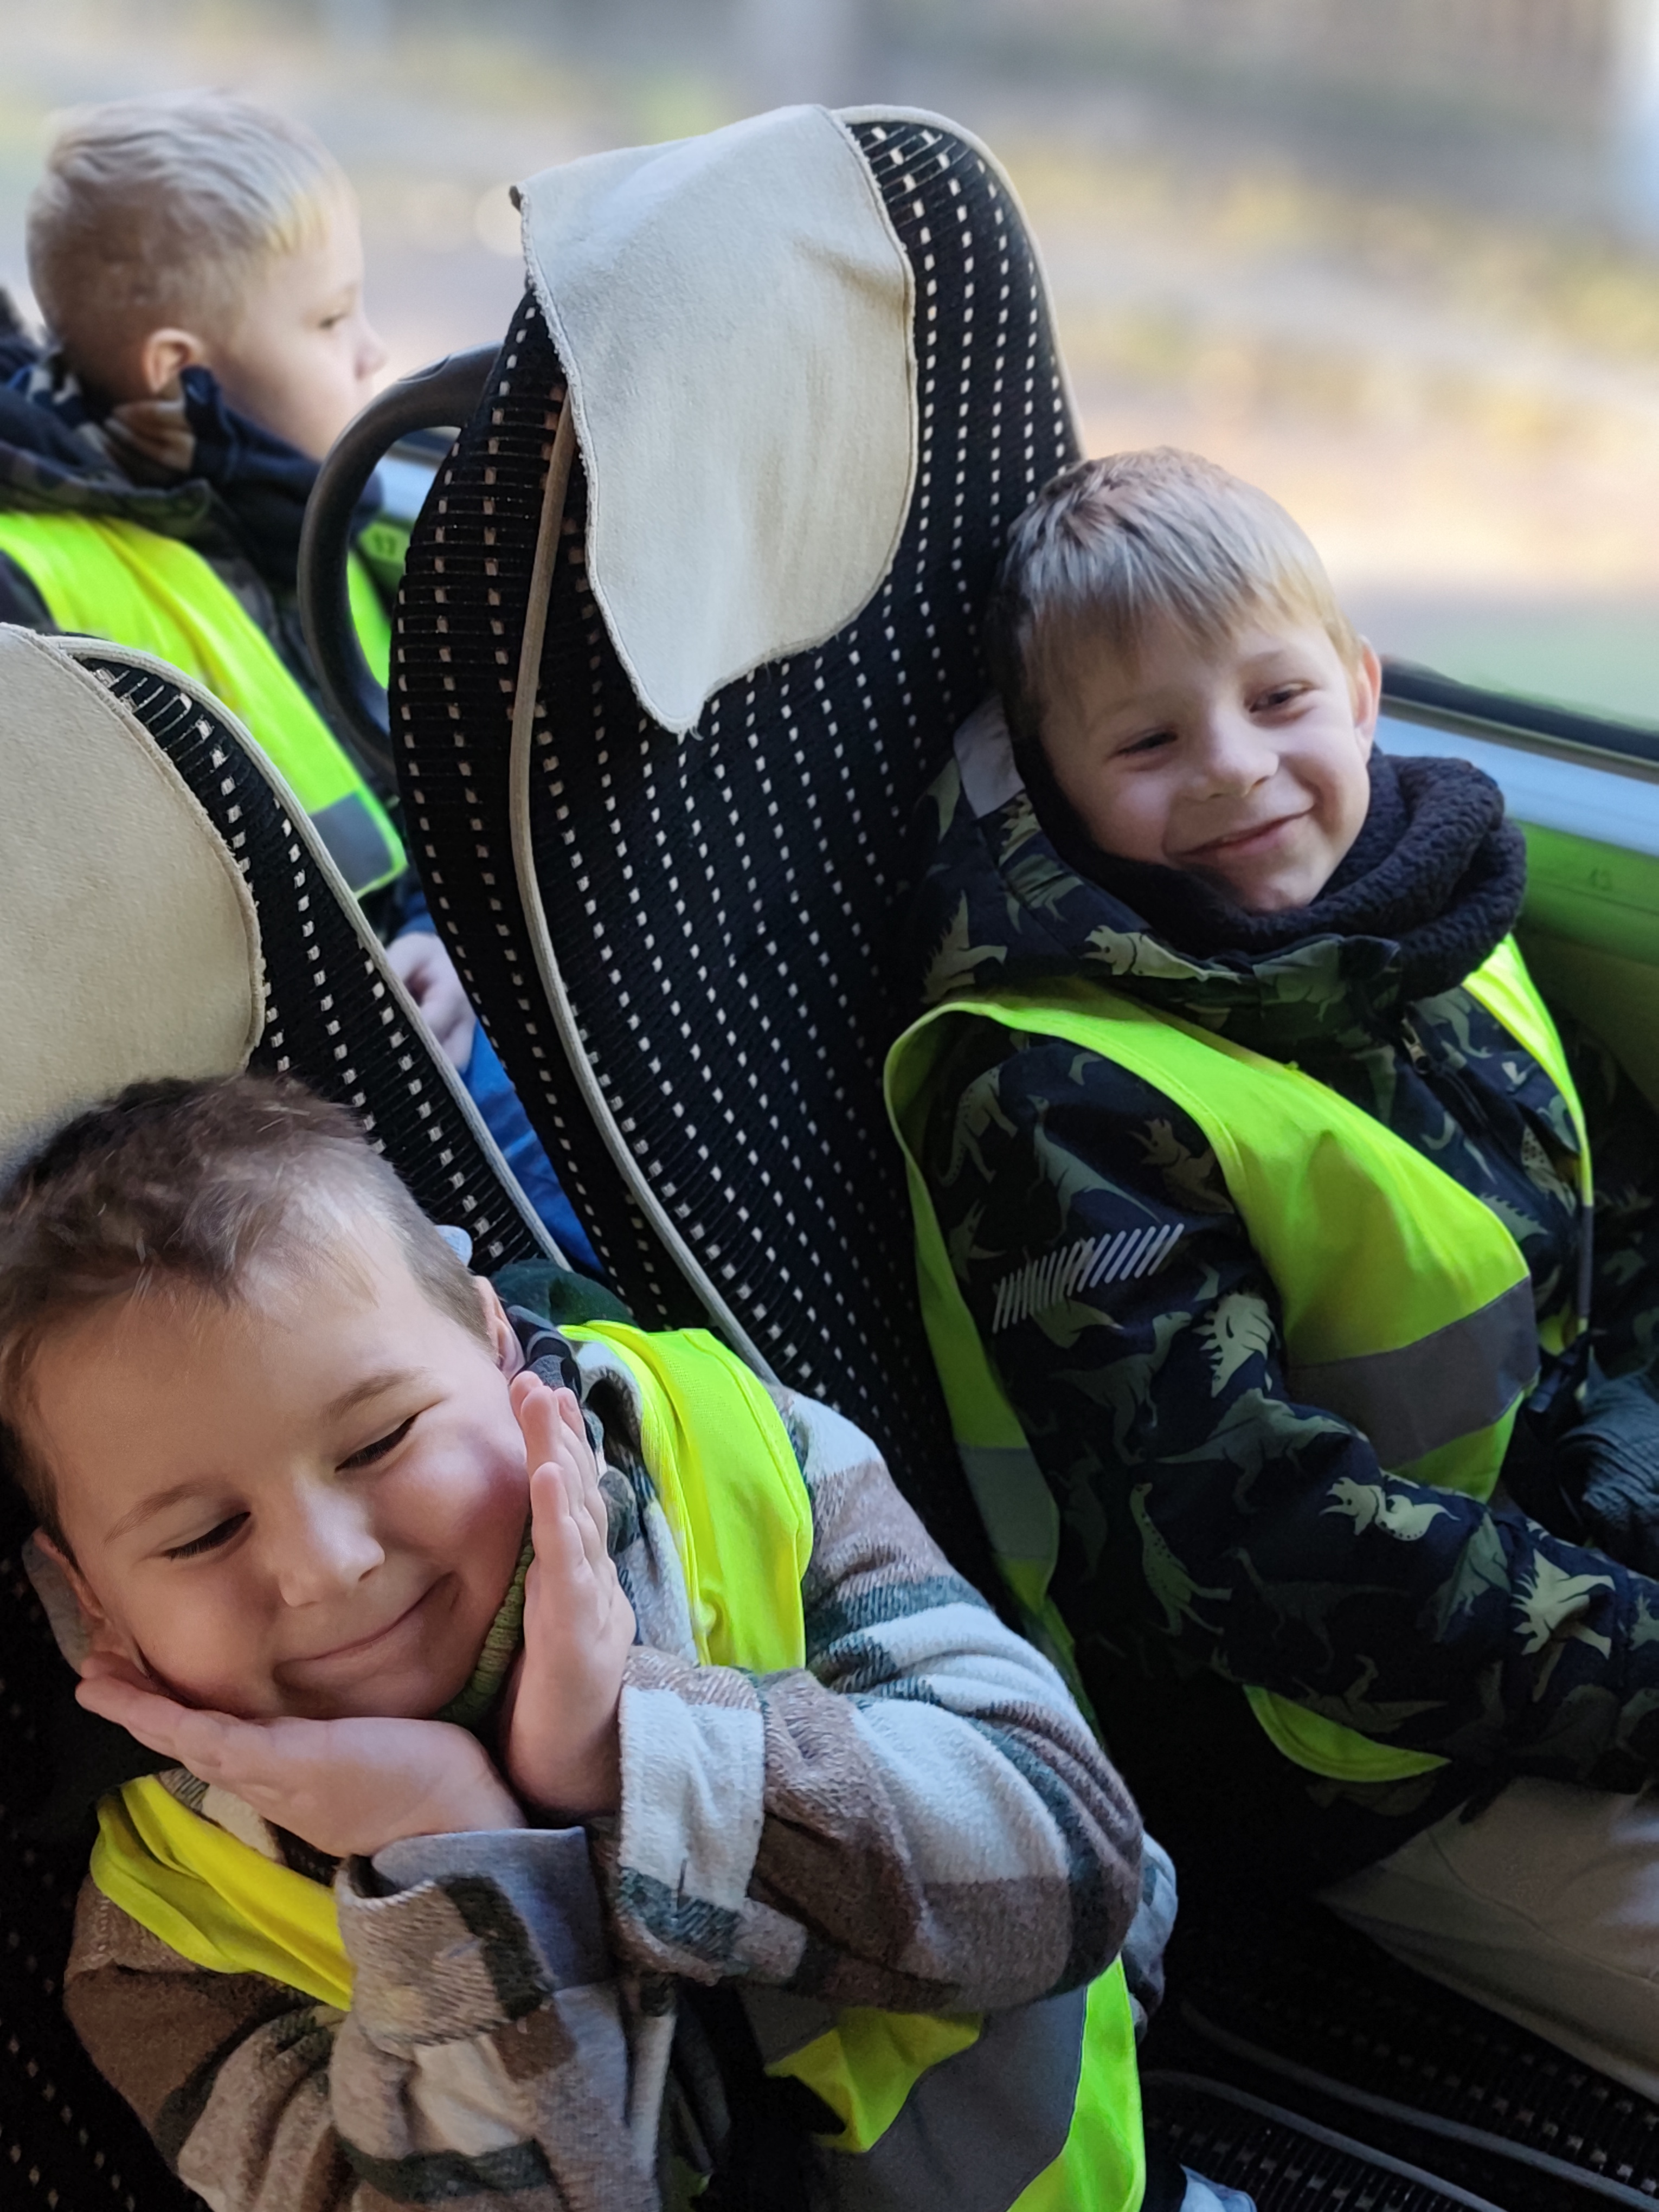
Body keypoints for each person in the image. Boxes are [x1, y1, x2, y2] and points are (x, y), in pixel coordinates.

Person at [0, 1072, 1224, 2212]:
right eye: (205, 1534)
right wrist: (453, 1860)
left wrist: (627, 1758)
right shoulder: (169, 1939)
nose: (330, 1566)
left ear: (493, 1345)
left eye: (379, 1442)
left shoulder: (736, 1465)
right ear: (86, 1597)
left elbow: (1078, 1869)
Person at [887, 445, 1659, 2101]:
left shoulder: (1426, 921)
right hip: (1358, 1752)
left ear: (1362, 689)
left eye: (1278, 698)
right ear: (1056, 789)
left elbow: (1627, 1216)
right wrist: (1643, 1662)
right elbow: (1248, 1540)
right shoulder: (1050, 1097)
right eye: (1147, 742)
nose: (1234, 770)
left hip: (1570, 1574)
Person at [0, 90, 597, 1269]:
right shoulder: (38, 589)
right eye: (331, 320)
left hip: (432, 984)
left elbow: (423, 781)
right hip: (278, 1099)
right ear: (181, 372)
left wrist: (441, 934)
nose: (373, 352)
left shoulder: (323, 514)